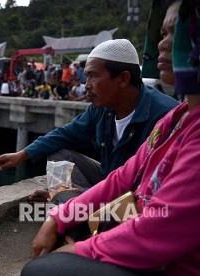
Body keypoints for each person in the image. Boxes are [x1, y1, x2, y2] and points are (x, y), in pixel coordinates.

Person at [22, 0, 200, 274]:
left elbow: (160, 223)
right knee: (61, 167)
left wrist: (80, 248)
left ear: (123, 79)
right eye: (162, 34)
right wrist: (59, 218)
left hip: (151, 230)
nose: (162, 44)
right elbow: (119, 176)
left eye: (174, 32)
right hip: (130, 204)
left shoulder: (162, 111)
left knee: (45, 266)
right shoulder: (175, 119)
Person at [0, 39, 179, 197]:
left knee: (74, 201)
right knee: (60, 156)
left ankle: (71, 218)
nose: (86, 85)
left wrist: (82, 194)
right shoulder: (102, 109)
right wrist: (22, 155)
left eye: (92, 76)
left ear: (123, 78)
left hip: (137, 196)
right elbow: (66, 134)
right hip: (111, 184)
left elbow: (154, 187)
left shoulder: (165, 116)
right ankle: (70, 210)